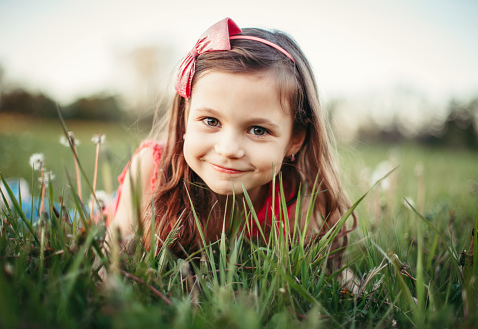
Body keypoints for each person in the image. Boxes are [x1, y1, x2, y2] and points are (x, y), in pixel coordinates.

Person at [108, 17, 357, 270]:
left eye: (258, 130)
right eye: (211, 121)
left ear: (295, 140)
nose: (227, 149)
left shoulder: (296, 198)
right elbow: (111, 260)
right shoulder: (153, 168)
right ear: (186, 117)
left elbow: (331, 271)